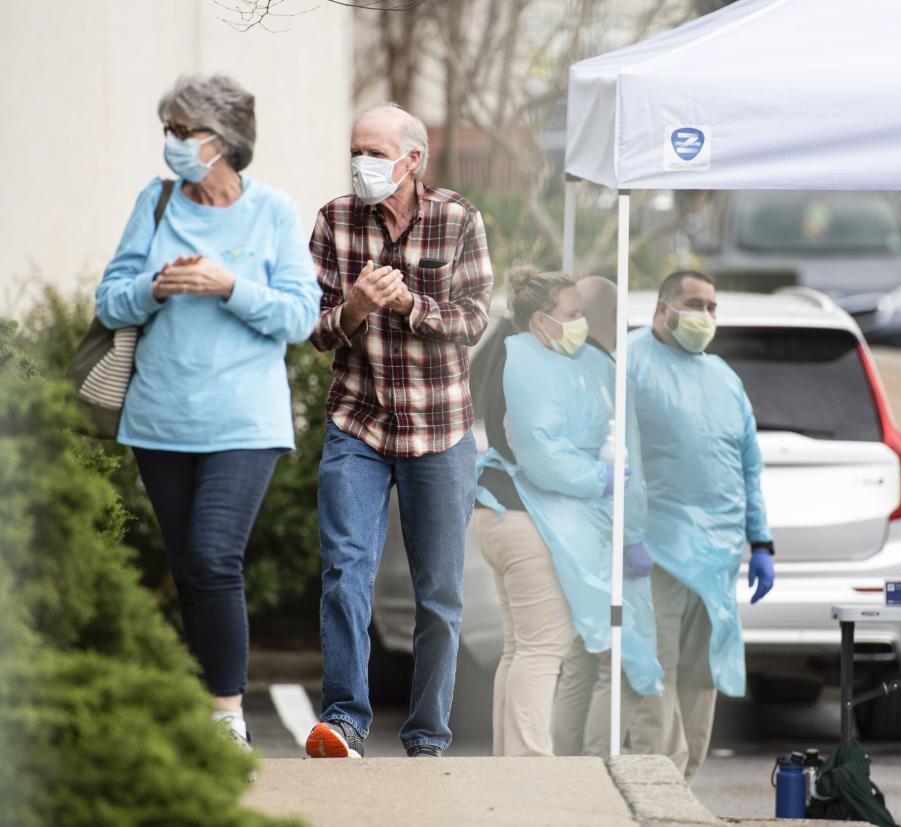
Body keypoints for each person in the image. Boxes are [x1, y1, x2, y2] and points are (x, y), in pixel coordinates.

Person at [94, 73, 320, 749]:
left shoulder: (273, 211)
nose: (171, 143)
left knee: (215, 557)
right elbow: (109, 301)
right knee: (190, 566)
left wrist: (229, 285)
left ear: (223, 140)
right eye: (167, 129)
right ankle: (204, 708)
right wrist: (156, 287)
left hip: (244, 423)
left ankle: (227, 716)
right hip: (161, 419)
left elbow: (301, 316)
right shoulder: (156, 201)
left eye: (182, 130)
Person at [304, 103, 493, 759]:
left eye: (375, 153)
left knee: (438, 593)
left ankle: (428, 735)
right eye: (355, 149)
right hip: (358, 419)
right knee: (344, 571)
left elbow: (473, 320)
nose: (362, 164)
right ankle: (345, 719)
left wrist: (409, 302)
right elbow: (314, 326)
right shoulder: (334, 220)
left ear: (412, 160)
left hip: (439, 428)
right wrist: (353, 307)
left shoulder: (457, 219)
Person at [473, 267, 662, 757]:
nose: (583, 323)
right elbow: (539, 450)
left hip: (496, 513)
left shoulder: (512, 353)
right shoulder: (533, 363)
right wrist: (596, 477)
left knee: (519, 648)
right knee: (542, 651)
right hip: (528, 520)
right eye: (573, 314)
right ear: (540, 321)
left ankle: (509, 767)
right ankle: (531, 774)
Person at [626, 271, 775, 783]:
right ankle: (653, 788)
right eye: (694, 303)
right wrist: (627, 535)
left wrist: (761, 541)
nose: (705, 316)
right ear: (662, 309)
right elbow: (620, 453)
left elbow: (747, 465)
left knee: (701, 674)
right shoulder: (633, 362)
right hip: (656, 550)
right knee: (654, 670)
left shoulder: (724, 378)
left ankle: (682, 787)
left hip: (716, 558)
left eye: (713, 306)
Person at [549, 275, 657, 757]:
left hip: (567, 538)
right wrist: (634, 536)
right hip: (610, 542)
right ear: (613, 319)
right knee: (627, 668)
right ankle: (598, 780)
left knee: (581, 661)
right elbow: (625, 461)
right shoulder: (607, 373)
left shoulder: (553, 365)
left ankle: (565, 780)